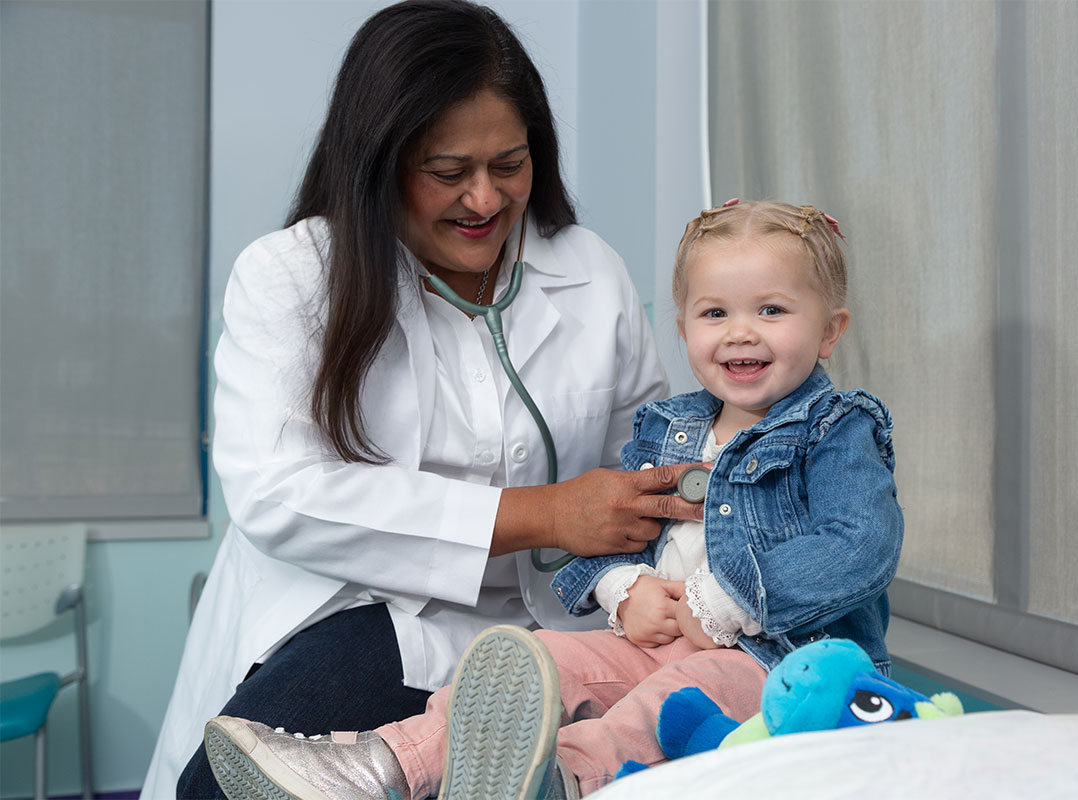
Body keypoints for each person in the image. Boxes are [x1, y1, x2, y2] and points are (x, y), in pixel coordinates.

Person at [142, 2, 710, 797]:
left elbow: (639, 459)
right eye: (447, 173)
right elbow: (280, 493)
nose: (484, 200)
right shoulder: (293, 274)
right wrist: (545, 513)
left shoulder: (588, 269)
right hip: (372, 613)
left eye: (509, 165)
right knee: (224, 790)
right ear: (378, 162)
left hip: (558, 623)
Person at [200, 201, 905, 799]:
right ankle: (376, 765)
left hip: (778, 660)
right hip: (647, 640)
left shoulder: (837, 429)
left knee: (674, 698)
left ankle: (555, 779)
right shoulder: (671, 427)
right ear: (685, 328)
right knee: (536, 668)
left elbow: (859, 546)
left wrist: (727, 599)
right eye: (715, 311)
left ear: (830, 331)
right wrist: (622, 587)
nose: (741, 331)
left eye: (772, 310)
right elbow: (606, 533)